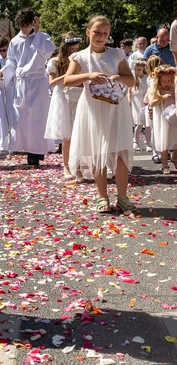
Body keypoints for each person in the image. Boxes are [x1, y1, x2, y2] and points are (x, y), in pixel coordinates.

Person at [65, 15, 135, 215]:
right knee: (97, 153)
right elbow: (67, 80)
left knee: (120, 152)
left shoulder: (116, 54)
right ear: (88, 32)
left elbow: (131, 80)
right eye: (97, 32)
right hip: (93, 110)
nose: (101, 36)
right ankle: (102, 196)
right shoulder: (80, 57)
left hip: (116, 109)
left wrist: (118, 78)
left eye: (105, 33)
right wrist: (88, 76)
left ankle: (123, 197)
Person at [3, 8, 55, 168]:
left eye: (26, 25)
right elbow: (11, 61)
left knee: (38, 118)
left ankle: (36, 154)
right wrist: (3, 72)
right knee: (22, 118)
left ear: (33, 23)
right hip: (22, 82)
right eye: (21, 26)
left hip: (37, 81)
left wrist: (37, 33)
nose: (24, 29)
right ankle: (27, 149)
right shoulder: (15, 41)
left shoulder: (42, 37)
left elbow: (48, 51)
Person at [45, 32, 83, 181]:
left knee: (79, 134)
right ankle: (66, 166)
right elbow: (52, 83)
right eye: (73, 49)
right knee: (67, 136)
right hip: (62, 97)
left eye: (77, 49)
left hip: (78, 96)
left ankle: (78, 167)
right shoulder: (55, 62)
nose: (75, 51)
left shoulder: (79, 60)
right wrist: (68, 75)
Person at [149, 65, 177, 175]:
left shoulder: (173, 88)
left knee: (175, 139)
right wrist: (162, 98)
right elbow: (152, 103)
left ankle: (175, 158)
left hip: (173, 118)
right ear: (159, 81)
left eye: (169, 81)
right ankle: (164, 164)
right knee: (164, 141)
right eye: (164, 81)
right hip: (162, 120)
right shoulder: (157, 90)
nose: (167, 83)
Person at [0, 36, 16, 153]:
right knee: (1, 119)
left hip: (12, 90)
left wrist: (3, 73)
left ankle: (15, 144)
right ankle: (3, 145)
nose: (2, 53)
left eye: (4, 50)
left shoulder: (13, 58)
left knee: (13, 117)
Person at [128, 60, 149, 151]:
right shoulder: (133, 78)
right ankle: (135, 141)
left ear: (143, 69)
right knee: (139, 124)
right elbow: (129, 92)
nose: (137, 71)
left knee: (147, 125)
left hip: (146, 102)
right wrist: (129, 102)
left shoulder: (147, 78)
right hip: (136, 103)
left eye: (139, 70)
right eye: (135, 69)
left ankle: (148, 142)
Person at [144, 55, 162, 164]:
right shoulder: (151, 78)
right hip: (153, 105)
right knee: (154, 129)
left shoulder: (156, 78)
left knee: (156, 129)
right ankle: (156, 152)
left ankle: (158, 151)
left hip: (155, 104)